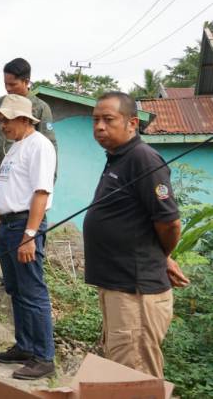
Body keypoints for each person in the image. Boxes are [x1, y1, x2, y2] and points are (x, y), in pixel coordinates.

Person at [83, 91, 189, 379]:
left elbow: (169, 224)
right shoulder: (118, 158)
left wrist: (161, 256)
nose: (100, 127)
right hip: (119, 285)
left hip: (136, 291)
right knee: (120, 372)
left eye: (108, 120)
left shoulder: (143, 159)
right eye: (96, 120)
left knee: (135, 377)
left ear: (132, 123)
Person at [0, 94, 57, 380]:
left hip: (24, 226)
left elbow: (42, 191)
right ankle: (25, 346)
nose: (3, 125)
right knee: (15, 289)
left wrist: (30, 234)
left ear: (25, 119)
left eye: (7, 119)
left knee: (32, 291)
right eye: (1, 120)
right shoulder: (16, 146)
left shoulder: (39, 145)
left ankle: (43, 357)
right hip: (8, 225)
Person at [0, 58, 57, 185]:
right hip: (0, 174)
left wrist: (50, 178)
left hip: (24, 177)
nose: (8, 88)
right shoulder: (0, 103)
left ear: (26, 82)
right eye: (5, 84)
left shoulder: (40, 107)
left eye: (13, 84)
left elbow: (49, 143)